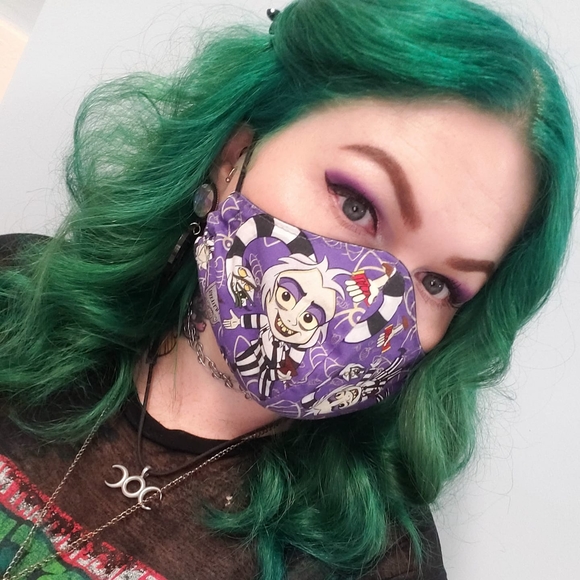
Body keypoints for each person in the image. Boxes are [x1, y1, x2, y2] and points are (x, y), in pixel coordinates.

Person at [0, 0, 576, 578]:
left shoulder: (376, 563)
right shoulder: (17, 295)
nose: (370, 309)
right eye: (358, 205)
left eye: (437, 284)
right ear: (235, 154)